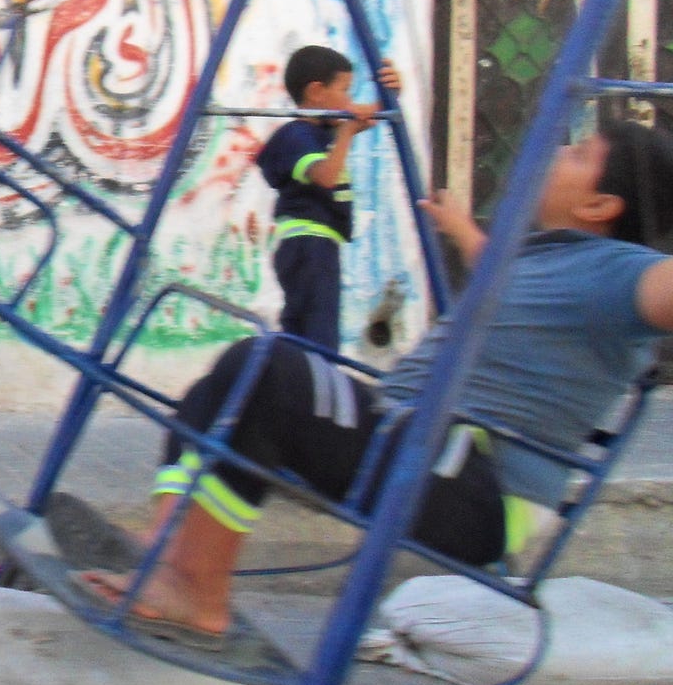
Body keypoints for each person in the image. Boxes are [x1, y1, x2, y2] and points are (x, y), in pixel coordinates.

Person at [82, 120, 673, 639]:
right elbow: (490, 263)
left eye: (579, 154)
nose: (559, 150)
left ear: (600, 206)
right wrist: (459, 227)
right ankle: (165, 558)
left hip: (477, 488)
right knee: (231, 376)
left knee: (269, 377)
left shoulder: (626, 277)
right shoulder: (545, 255)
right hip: (416, 439)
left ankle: (197, 594)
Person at [256, 45, 400, 351]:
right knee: (319, 335)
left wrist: (391, 94)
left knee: (303, 331)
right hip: (309, 245)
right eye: (345, 90)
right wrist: (346, 133)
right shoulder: (297, 136)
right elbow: (326, 177)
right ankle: (316, 388)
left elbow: (365, 117)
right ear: (317, 92)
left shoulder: (319, 133)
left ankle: (298, 386)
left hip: (313, 245)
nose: (349, 101)